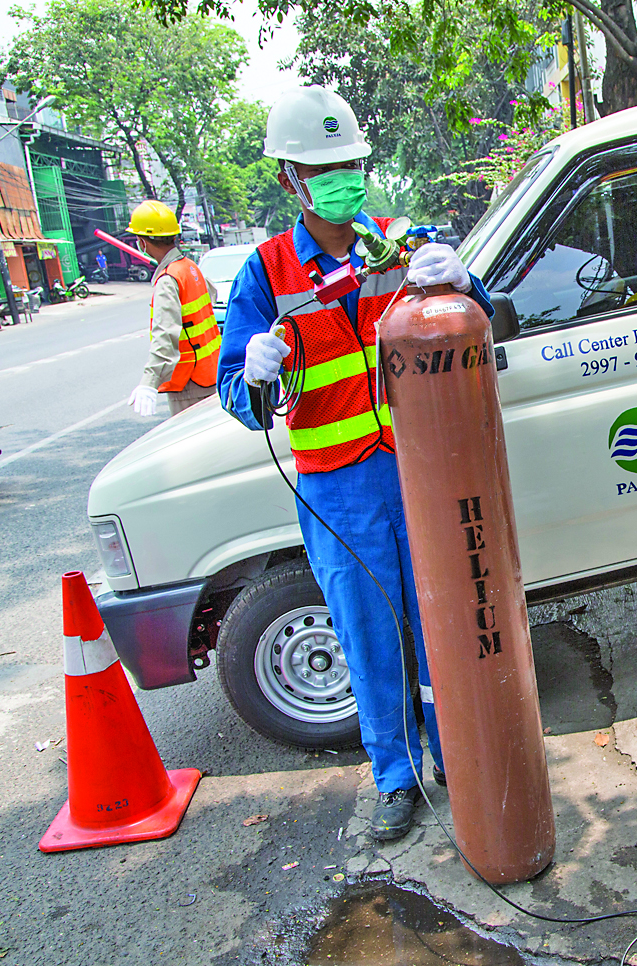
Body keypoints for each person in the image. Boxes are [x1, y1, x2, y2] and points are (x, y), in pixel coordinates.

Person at [218, 85, 495, 841]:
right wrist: (253, 372)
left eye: (351, 164)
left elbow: (483, 319)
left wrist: (467, 283)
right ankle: (396, 776)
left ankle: (456, 754)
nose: (343, 178)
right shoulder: (266, 273)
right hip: (338, 490)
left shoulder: (403, 243)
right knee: (368, 632)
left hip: (424, 475)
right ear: (289, 181)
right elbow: (233, 395)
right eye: (323, 167)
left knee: (445, 623)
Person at [126, 200, 220, 418]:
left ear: (142, 242)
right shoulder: (190, 267)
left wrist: (149, 382)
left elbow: (165, 335)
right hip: (211, 373)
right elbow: (211, 297)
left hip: (189, 382)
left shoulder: (168, 279)